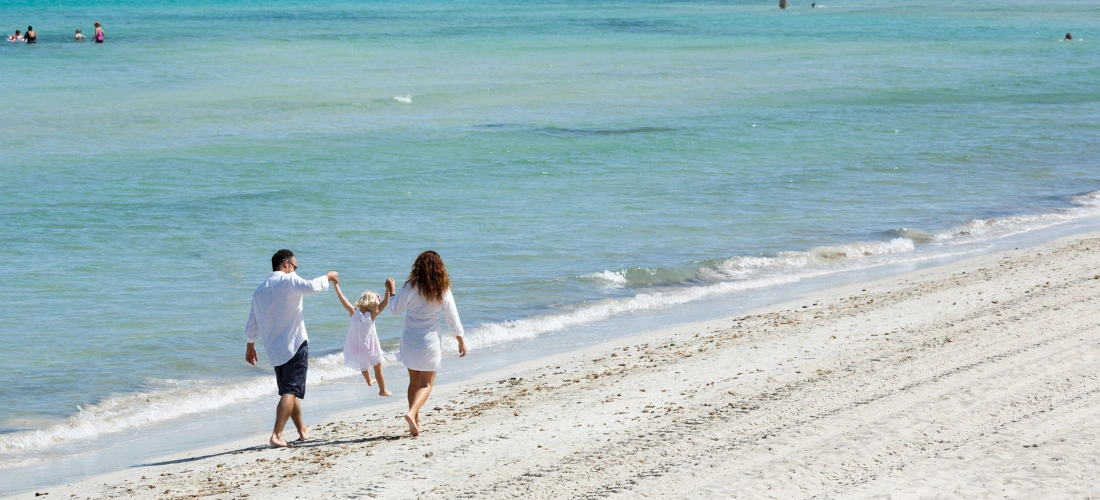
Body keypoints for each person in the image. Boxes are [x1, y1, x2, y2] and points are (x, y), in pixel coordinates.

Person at [244, 249, 338, 447]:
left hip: (274, 350)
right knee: (290, 390)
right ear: (286, 264)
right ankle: (277, 434)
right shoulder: (289, 280)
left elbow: (252, 322)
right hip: (294, 344)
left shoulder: (259, 291)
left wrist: (250, 346)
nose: (295, 270)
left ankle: (302, 430)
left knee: (289, 390)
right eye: (295, 266)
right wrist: (328, 277)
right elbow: (312, 286)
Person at [388, 250, 467, 437]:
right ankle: (412, 414)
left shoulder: (411, 286)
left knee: (413, 382)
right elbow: (452, 317)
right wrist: (460, 339)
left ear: (418, 267)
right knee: (426, 384)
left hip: (410, 340)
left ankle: (414, 423)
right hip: (430, 343)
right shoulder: (442, 289)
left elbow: (394, 310)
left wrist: (391, 291)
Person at [333, 280, 393, 397]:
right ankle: (382, 390)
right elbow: (385, 302)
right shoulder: (372, 314)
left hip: (357, 347)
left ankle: (369, 381)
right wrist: (388, 289)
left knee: (363, 366)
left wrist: (336, 285)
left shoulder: (353, 312)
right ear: (373, 302)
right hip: (371, 347)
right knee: (378, 368)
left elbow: (342, 298)